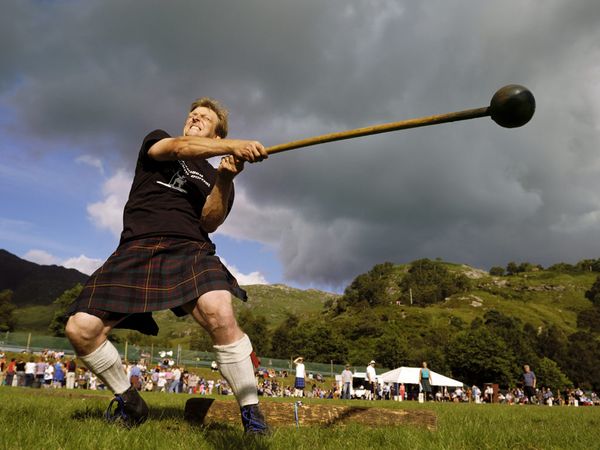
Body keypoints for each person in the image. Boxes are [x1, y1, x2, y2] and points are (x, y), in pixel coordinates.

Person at [64, 97, 269, 433]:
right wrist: (238, 144)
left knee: (218, 309)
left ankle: (251, 416)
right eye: (193, 115)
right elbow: (179, 146)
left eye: (204, 118)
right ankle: (130, 402)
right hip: (137, 246)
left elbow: (211, 220)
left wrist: (225, 179)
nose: (194, 118)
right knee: (80, 329)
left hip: (190, 247)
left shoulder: (214, 170)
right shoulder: (159, 141)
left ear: (216, 137)